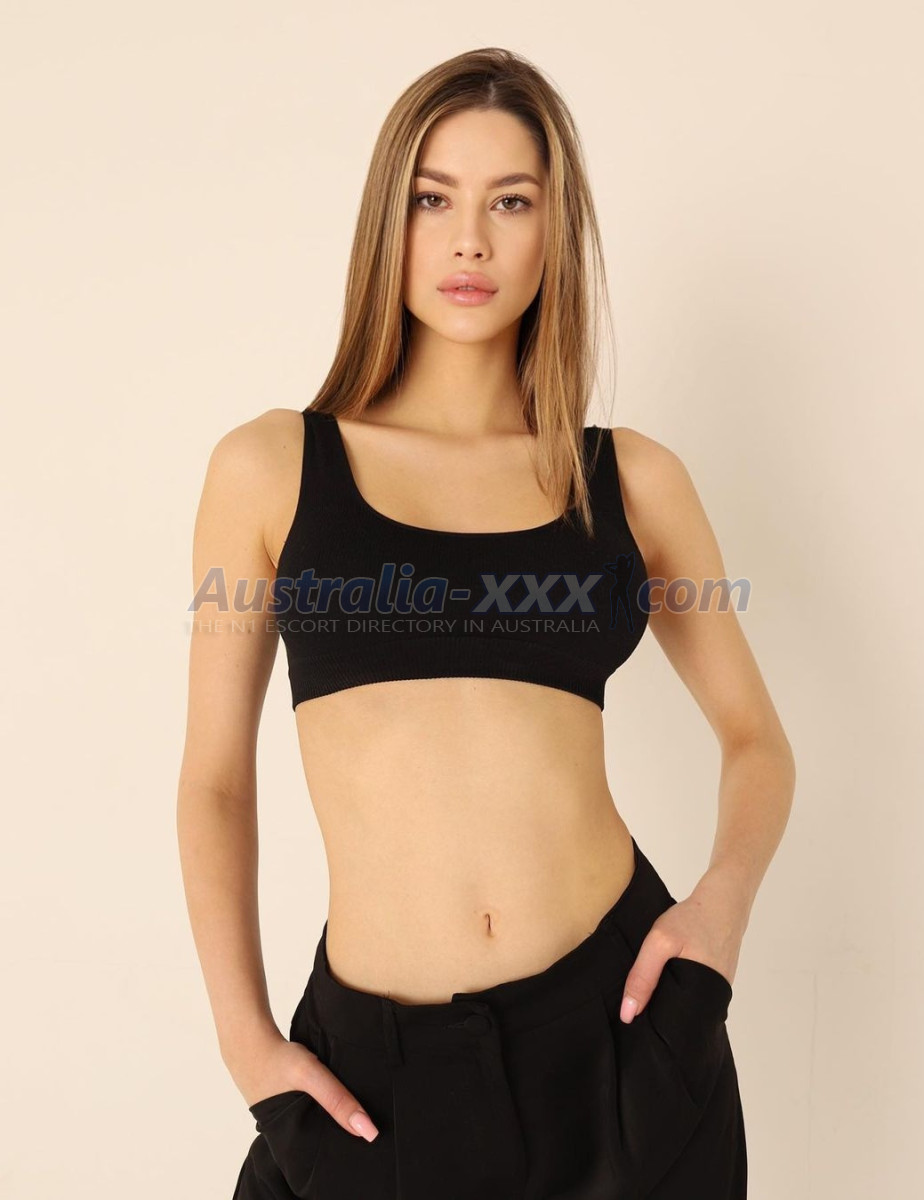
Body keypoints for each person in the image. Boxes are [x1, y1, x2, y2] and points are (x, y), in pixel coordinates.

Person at [177, 47, 795, 1200]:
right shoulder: (271, 469)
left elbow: (758, 741)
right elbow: (215, 781)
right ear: (389, 219)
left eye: (511, 202)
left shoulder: (631, 482)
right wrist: (243, 1038)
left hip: (623, 1042)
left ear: (556, 232)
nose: (470, 241)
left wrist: (719, 912)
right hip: (371, 1083)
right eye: (434, 199)